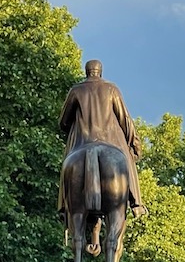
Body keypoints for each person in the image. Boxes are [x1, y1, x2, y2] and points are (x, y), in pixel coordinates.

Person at [57, 59, 148, 217]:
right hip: (109, 141)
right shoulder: (111, 89)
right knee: (126, 160)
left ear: (87, 72)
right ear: (100, 72)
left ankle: (64, 206)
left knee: (67, 164)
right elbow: (125, 119)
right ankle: (136, 203)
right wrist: (135, 145)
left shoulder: (76, 90)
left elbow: (63, 122)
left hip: (82, 142)